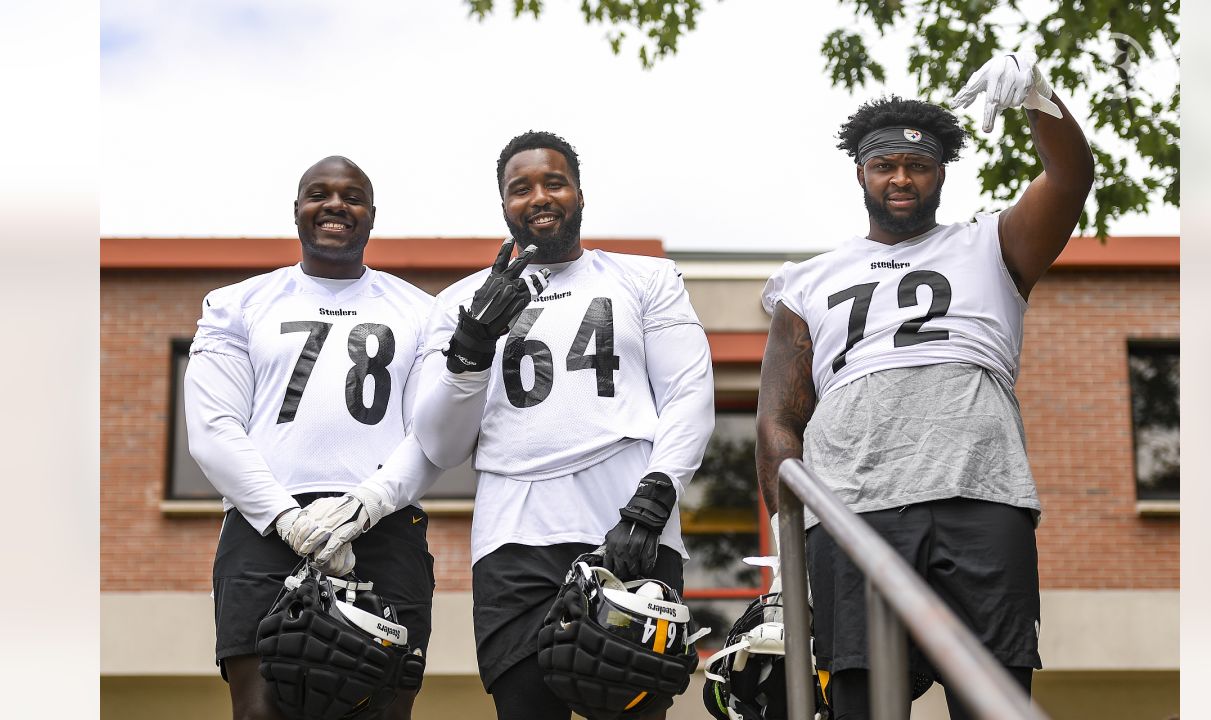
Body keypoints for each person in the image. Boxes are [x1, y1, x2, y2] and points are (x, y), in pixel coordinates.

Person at [755, 50, 1094, 720]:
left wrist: (1038, 94)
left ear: (942, 174)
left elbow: (1070, 177)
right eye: (886, 165)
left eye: (919, 165)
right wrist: (787, 561)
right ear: (861, 172)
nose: (901, 177)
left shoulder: (992, 245)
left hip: (979, 492)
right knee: (862, 702)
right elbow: (776, 424)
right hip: (851, 506)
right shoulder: (808, 280)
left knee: (992, 695)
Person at [185, 156, 535, 720]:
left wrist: (365, 506)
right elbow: (211, 428)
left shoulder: (423, 312)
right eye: (317, 194)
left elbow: (433, 435)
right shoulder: (236, 304)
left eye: (352, 197)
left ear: (371, 216)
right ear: (296, 210)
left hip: (384, 526)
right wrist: (285, 518)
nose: (334, 206)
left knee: (382, 707)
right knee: (260, 710)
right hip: (263, 527)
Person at [411, 130, 716, 720]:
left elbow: (689, 395)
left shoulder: (646, 278)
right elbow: (440, 444)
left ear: (579, 193)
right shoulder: (458, 301)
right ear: (503, 205)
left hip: (631, 521)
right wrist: (471, 347)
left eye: (554, 182)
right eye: (520, 188)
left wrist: (655, 497)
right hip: (513, 533)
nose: (539, 197)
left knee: (630, 703)